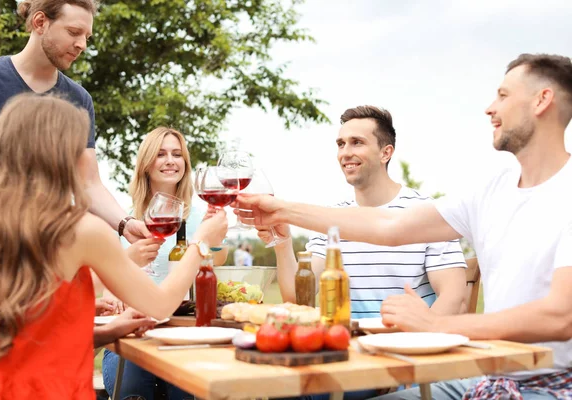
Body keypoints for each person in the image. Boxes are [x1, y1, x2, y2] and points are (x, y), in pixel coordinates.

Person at [236, 53, 572, 399]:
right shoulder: (491, 190)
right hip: (488, 379)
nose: (489, 108)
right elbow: (390, 225)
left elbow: (561, 317)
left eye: (502, 95)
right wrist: (279, 211)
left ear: (541, 100)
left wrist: (436, 326)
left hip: (554, 386)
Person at [0, 93, 227, 400]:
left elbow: (23, 329)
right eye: (82, 147)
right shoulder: (81, 230)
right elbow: (158, 305)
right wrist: (202, 242)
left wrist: (104, 332)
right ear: (58, 155)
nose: (88, 157)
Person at [255, 106, 467, 400]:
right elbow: (296, 296)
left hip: (405, 358)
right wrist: (281, 242)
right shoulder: (330, 219)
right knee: (281, 388)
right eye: (341, 144)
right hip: (346, 355)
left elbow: (454, 297)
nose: (345, 152)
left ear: (386, 152)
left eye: (357, 142)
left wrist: (410, 354)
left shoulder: (426, 213)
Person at [0, 0, 149, 243]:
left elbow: (88, 183)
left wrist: (125, 223)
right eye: (74, 32)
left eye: (87, 36)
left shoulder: (79, 100)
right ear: (40, 22)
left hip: (45, 252)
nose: (82, 45)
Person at [101, 126, 227, 400]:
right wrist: (128, 264)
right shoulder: (122, 221)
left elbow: (217, 259)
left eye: (177, 154)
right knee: (132, 388)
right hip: (132, 335)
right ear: (146, 164)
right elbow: (106, 291)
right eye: (161, 154)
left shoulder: (198, 216)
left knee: (186, 391)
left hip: (184, 331)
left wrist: (212, 237)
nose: (171, 161)